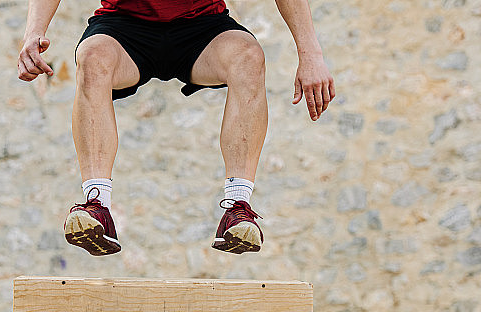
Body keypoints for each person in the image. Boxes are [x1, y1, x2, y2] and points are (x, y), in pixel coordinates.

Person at [18, 0, 334, 256]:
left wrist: (311, 56)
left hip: (202, 27)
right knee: (92, 56)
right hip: (123, 27)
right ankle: (97, 205)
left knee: (248, 56)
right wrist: (34, 32)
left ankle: (238, 207)